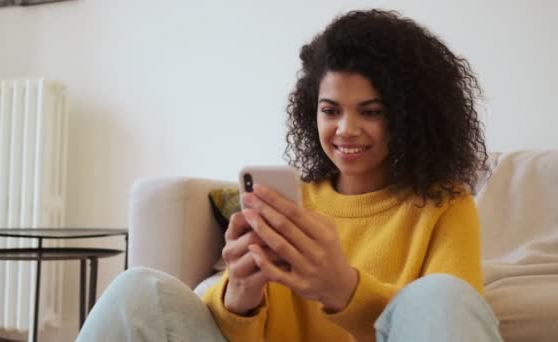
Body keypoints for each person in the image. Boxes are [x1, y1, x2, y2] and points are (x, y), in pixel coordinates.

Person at [77, 9, 503, 342]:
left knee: (441, 295)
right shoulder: (291, 200)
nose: (346, 129)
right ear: (310, 110)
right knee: (138, 290)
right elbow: (228, 329)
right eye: (330, 110)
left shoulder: (445, 206)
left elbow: (451, 321)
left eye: (371, 112)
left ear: (410, 118)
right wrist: (240, 295)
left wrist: (344, 289)